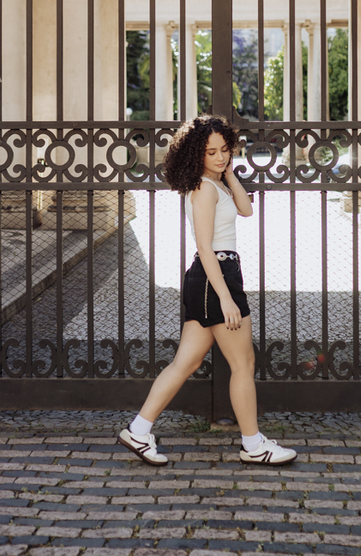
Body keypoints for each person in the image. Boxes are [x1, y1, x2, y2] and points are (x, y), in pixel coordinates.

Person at [118, 114, 297, 466]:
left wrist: (228, 173)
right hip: (216, 275)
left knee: (187, 361)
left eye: (225, 150)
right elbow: (203, 246)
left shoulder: (216, 183)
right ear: (196, 154)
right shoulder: (202, 188)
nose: (219, 157)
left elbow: (246, 210)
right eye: (211, 152)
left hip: (214, 275)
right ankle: (253, 444)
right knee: (242, 363)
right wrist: (226, 297)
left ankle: (138, 431)